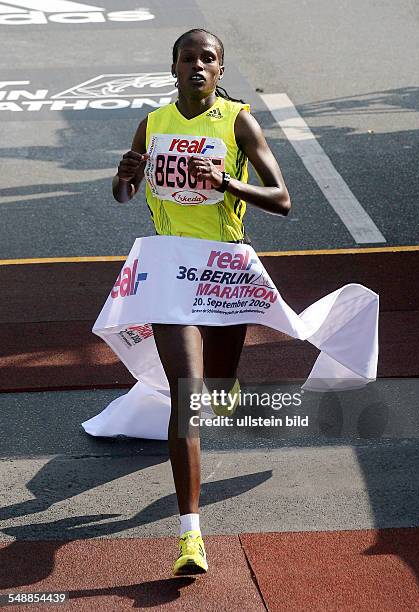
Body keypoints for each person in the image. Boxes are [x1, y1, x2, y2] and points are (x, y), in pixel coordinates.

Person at [112, 28, 291, 576]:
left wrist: (228, 183)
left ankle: (229, 385)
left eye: (207, 59)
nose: (197, 66)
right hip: (168, 271)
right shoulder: (153, 124)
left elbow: (282, 199)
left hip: (224, 271)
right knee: (187, 398)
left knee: (215, 385)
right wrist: (124, 179)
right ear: (173, 68)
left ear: (219, 70)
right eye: (187, 58)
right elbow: (124, 196)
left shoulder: (238, 122)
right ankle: (191, 537)